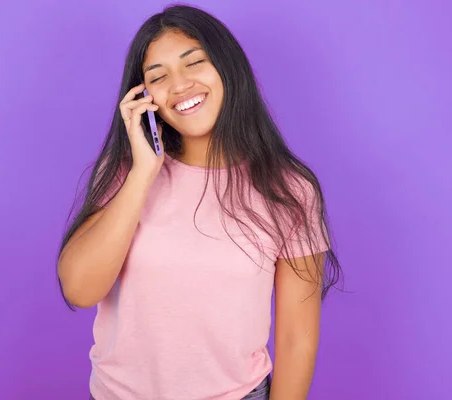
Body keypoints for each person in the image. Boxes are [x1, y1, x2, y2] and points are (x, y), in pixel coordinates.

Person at [57, 5, 342, 400]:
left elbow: (297, 339)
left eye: (194, 63)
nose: (180, 85)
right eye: (158, 77)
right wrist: (143, 173)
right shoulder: (126, 171)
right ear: (143, 96)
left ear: (228, 68)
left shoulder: (290, 190)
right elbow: (79, 289)